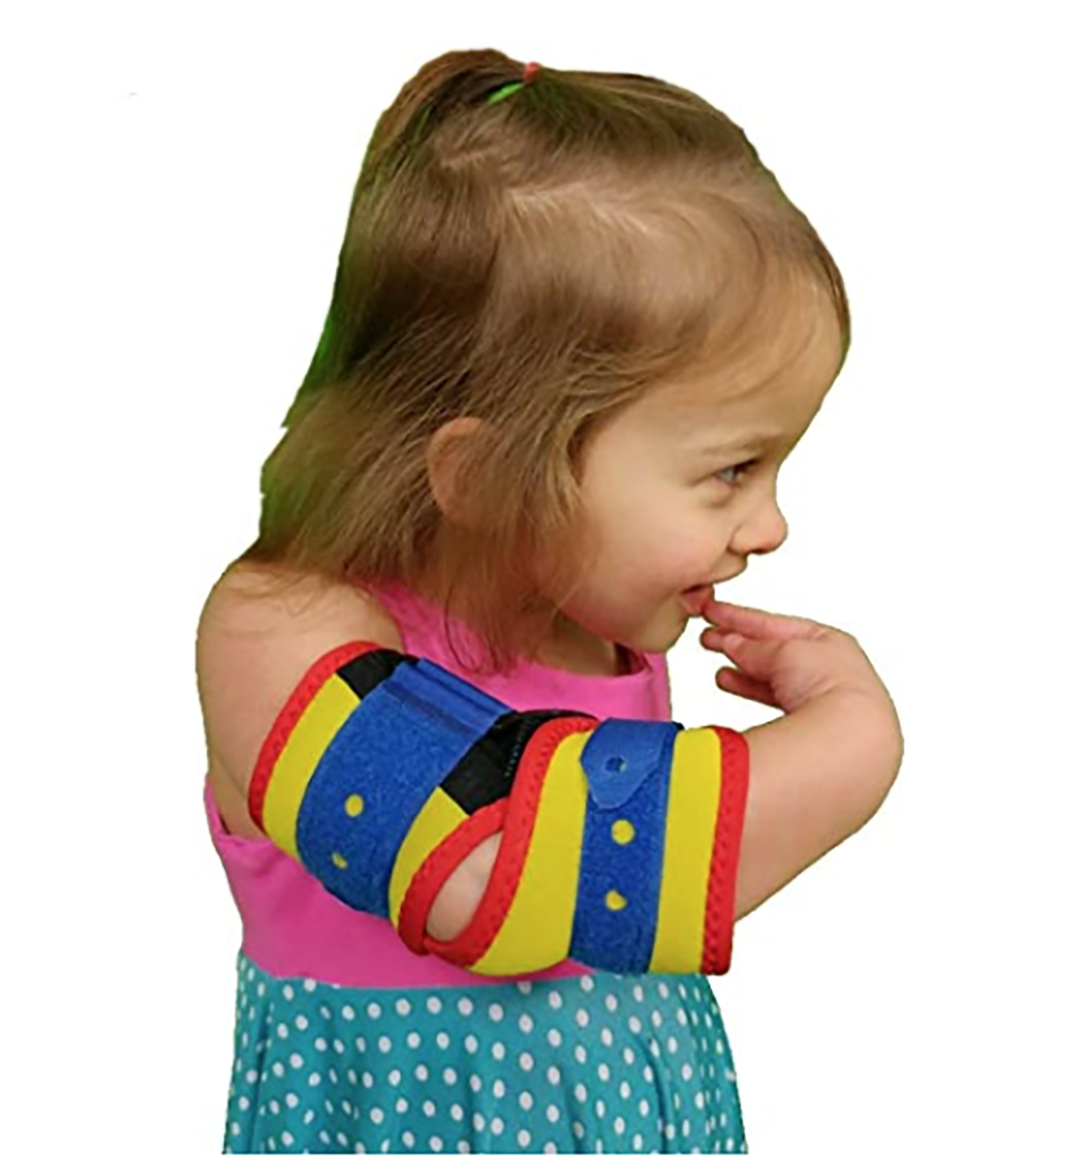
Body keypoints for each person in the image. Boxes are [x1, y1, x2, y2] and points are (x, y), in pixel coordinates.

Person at [195, 49, 904, 1154]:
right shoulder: (277, 630)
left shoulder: (596, 620)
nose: (769, 526)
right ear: (486, 476)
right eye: (730, 471)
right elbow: (488, 872)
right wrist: (852, 747)